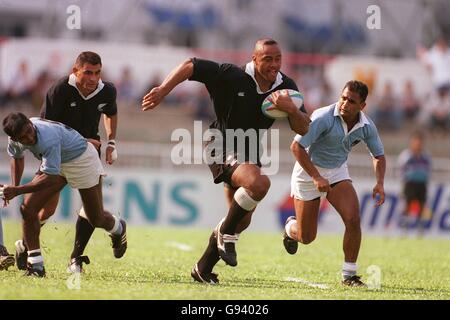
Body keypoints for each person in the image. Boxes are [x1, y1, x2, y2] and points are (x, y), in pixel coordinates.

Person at [142, 38, 310, 284]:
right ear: (254, 59)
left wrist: (293, 110)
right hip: (220, 144)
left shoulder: (286, 87)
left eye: (278, 58)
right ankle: (225, 235)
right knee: (259, 185)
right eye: (267, 59)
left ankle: (203, 267)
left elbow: (304, 128)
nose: (274, 64)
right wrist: (163, 90)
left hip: (250, 151)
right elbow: (191, 65)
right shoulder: (231, 75)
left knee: (241, 220)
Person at [13, 51, 119, 274]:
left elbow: (111, 112)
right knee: (47, 209)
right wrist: (78, 139)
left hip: (87, 154)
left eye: (97, 73)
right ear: (75, 71)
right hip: (58, 154)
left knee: (93, 213)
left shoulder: (107, 90)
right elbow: (45, 128)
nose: (93, 78)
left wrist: (111, 142)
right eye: (88, 72)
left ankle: (75, 258)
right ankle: (26, 244)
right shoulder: (60, 90)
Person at [283, 80, 386, 287]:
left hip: (338, 171)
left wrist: (380, 183)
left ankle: (349, 275)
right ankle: (289, 228)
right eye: (343, 97)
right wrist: (316, 177)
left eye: (351, 101)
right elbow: (296, 147)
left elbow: (379, 155)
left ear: (362, 106)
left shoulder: (366, 126)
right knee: (306, 237)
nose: (345, 103)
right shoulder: (322, 117)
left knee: (353, 219)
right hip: (308, 172)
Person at [1, 113, 127, 277]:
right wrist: (15, 186)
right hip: (58, 162)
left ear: (30, 123)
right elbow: (17, 158)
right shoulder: (15, 139)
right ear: (15, 139)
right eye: (23, 137)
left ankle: (118, 228)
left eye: (29, 131)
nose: (29, 138)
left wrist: (17, 191)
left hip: (82, 160)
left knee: (95, 218)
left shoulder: (47, 137)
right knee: (28, 208)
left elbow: (50, 179)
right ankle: (36, 265)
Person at [397, 131, 432, 233]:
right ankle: (404, 228)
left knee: (421, 206)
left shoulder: (425, 156)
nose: (418, 144)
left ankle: (420, 230)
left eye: (420, 142)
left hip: (421, 184)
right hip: (410, 184)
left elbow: (428, 169)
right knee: (407, 205)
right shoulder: (406, 155)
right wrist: (404, 180)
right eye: (416, 141)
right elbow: (401, 169)